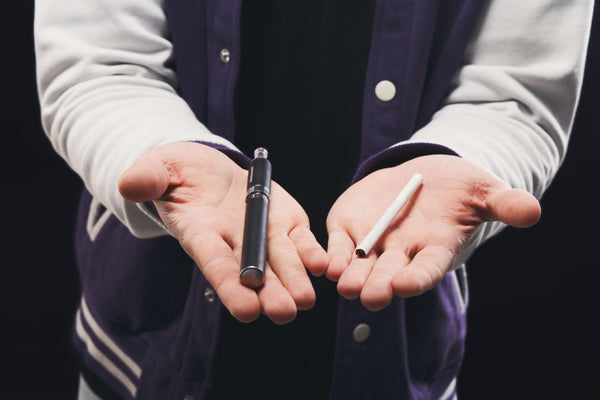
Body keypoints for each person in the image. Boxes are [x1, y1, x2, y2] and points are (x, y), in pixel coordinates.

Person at [34, 0, 594, 399]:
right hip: (145, 342)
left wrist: (464, 158)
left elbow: (517, 92)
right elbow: (99, 63)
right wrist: (166, 152)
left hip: (398, 336)